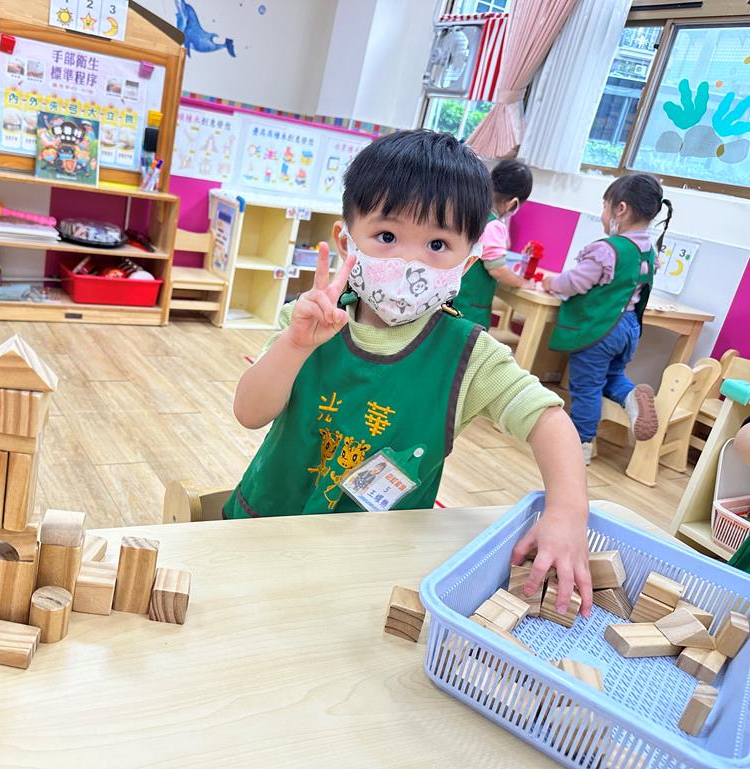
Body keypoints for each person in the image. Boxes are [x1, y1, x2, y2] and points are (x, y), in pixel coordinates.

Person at [226, 129, 593, 614]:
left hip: (372, 565)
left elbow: (549, 420)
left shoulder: (470, 355)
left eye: (438, 243)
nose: (409, 261)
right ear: (346, 241)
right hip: (264, 532)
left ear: (468, 262)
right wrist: (293, 347)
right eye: (386, 237)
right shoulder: (307, 320)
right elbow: (249, 413)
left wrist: (567, 513)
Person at [543, 174, 672, 465]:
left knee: (586, 387)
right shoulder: (648, 252)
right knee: (612, 377)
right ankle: (631, 399)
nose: (603, 214)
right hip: (629, 329)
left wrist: (553, 283)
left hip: (600, 330)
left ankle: (581, 444)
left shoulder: (608, 249)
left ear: (620, 209)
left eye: (605, 206)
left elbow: (577, 282)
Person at [455, 158, 534, 328]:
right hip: (469, 309)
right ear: (513, 203)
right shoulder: (493, 225)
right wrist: (523, 283)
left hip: (452, 300)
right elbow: (498, 269)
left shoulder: (469, 212)